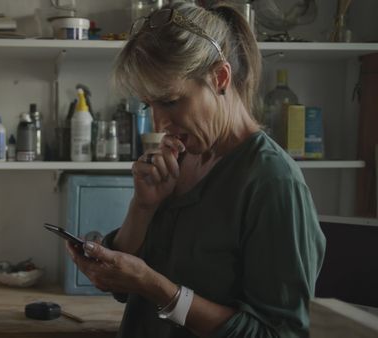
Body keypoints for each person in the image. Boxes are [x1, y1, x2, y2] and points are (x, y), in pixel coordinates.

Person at [66, 2, 326, 338]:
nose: (160, 123)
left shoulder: (273, 182)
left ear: (219, 77)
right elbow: (125, 289)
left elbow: (279, 334)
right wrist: (142, 207)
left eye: (171, 101)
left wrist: (157, 288)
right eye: (150, 104)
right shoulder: (181, 157)